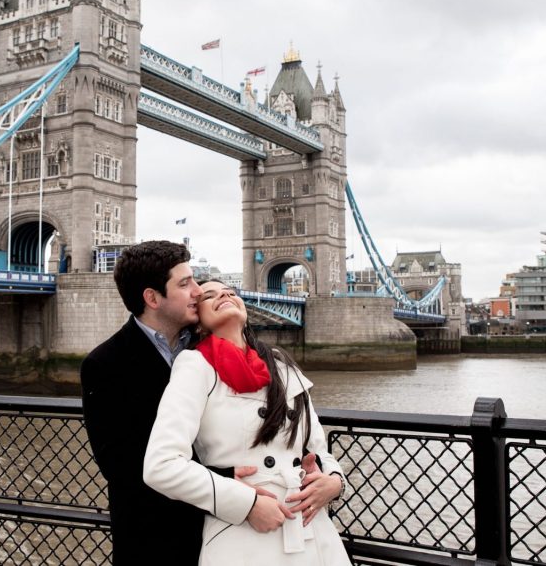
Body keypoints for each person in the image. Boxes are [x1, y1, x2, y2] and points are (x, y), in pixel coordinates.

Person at [143, 280, 351, 565]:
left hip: (312, 531)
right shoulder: (195, 366)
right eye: (210, 295)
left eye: (230, 292)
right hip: (243, 534)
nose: (225, 295)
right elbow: (161, 466)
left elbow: (318, 448)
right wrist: (246, 504)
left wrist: (335, 483)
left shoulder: (282, 365)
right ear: (199, 322)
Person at [80, 240, 208, 564]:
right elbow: (122, 469)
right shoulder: (104, 365)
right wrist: (232, 483)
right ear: (152, 298)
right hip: (154, 542)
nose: (198, 291)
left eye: (195, 279)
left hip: (225, 538)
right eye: (185, 283)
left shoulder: (211, 347)